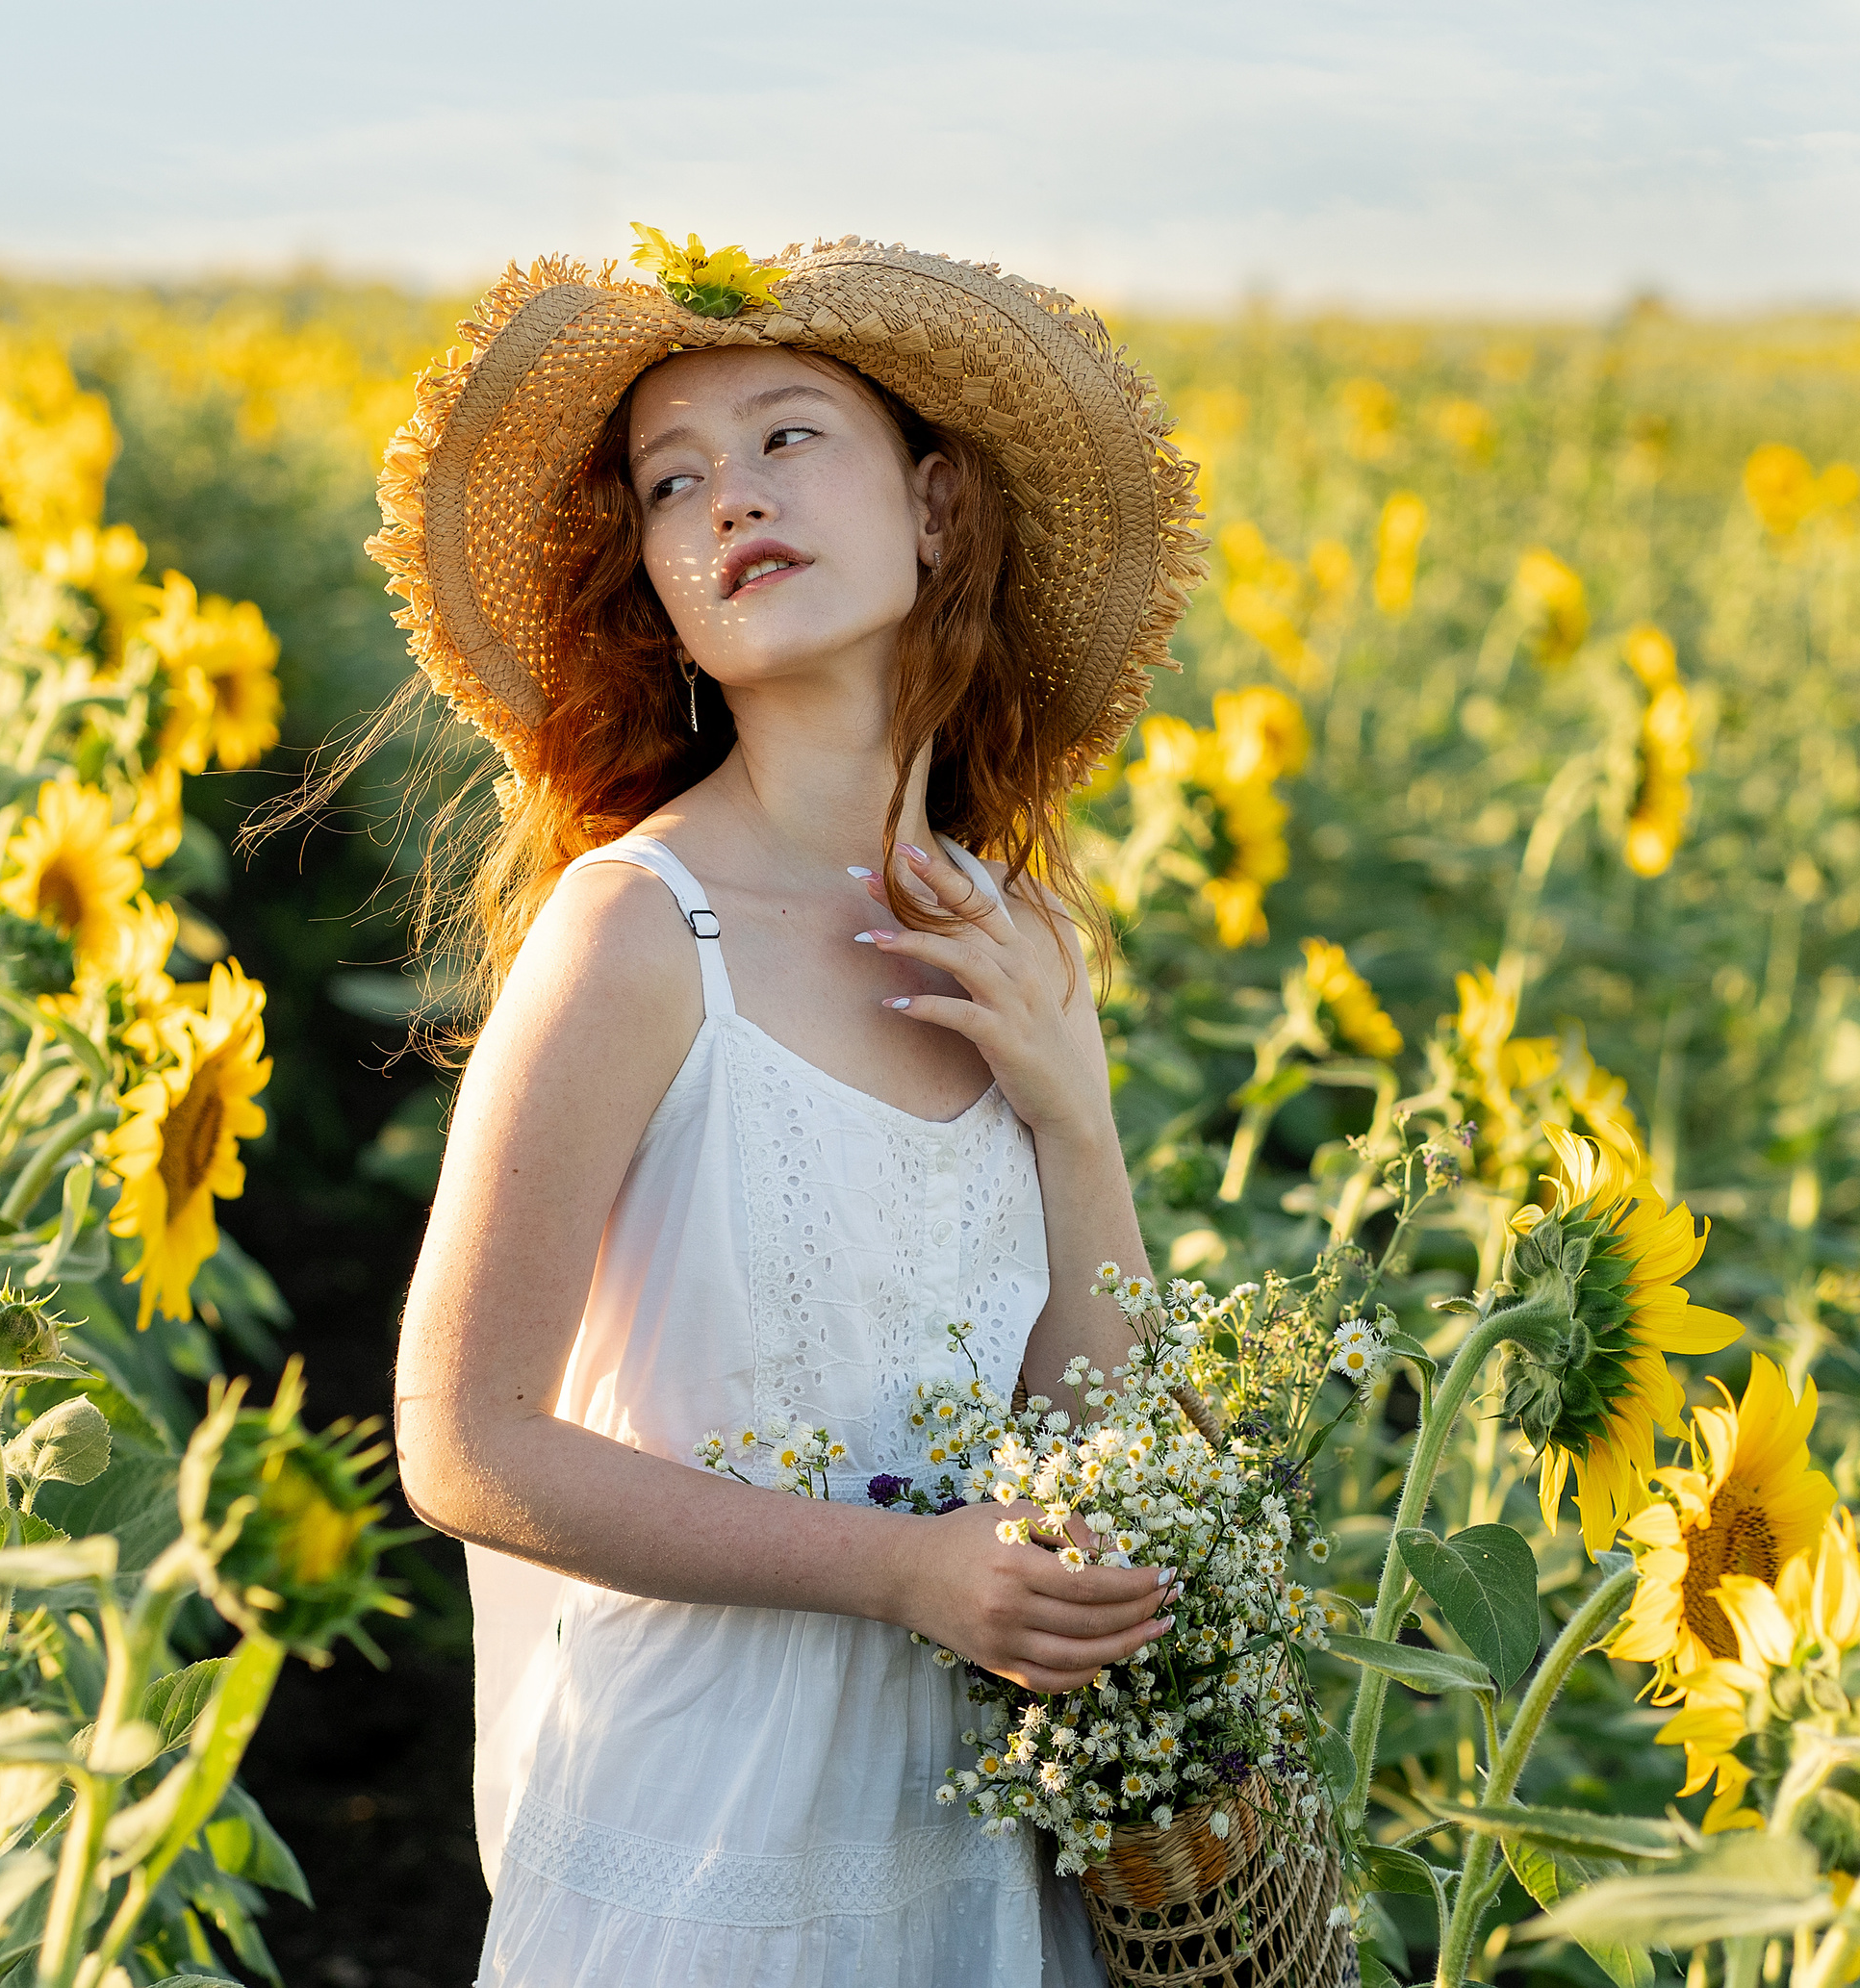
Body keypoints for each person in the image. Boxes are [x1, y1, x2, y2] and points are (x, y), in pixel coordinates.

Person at [363, 235, 1207, 1986]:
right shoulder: (636, 932)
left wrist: (1076, 1118)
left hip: (972, 1822)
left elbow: (1097, 1432)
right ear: (662, 592)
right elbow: (460, 1435)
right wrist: (905, 1570)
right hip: (706, 1833)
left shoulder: (1021, 935)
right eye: (673, 481)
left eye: (786, 435)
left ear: (936, 509)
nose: (728, 495)